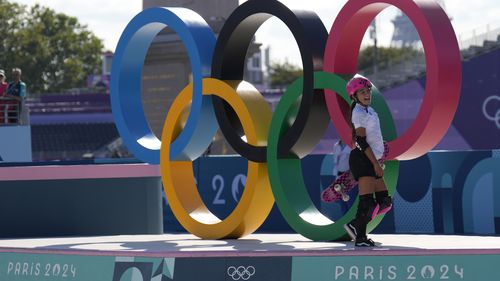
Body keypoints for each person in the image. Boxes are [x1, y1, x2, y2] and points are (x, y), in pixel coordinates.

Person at [342, 76, 392, 247]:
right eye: (362, 92)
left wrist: (378, 160)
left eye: (368, 91)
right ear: (354, 96)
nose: (367, 94)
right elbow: (361, 141)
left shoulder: (369, 111)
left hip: (371, 159)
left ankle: (355, 225)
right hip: (363, 160)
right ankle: (360, 238)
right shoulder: (358, 113)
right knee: (367, 202)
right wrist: (376, 164)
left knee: (384, 202)